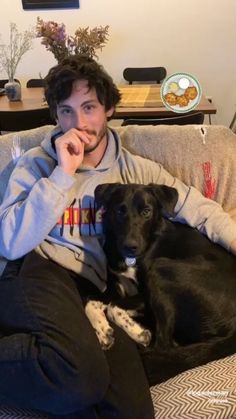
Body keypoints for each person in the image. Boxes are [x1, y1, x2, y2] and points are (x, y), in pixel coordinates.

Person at [0, 55, 235, 419]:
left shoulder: (135, 169)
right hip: (40, 270)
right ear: (55, 116)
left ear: (108, 108)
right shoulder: (33, 165)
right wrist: (63, 175)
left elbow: (200, 209)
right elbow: (12, 242)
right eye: (65, 111)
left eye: (89, 107)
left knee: (132, 410)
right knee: (80, 378)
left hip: (97, 288)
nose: (78, 124)